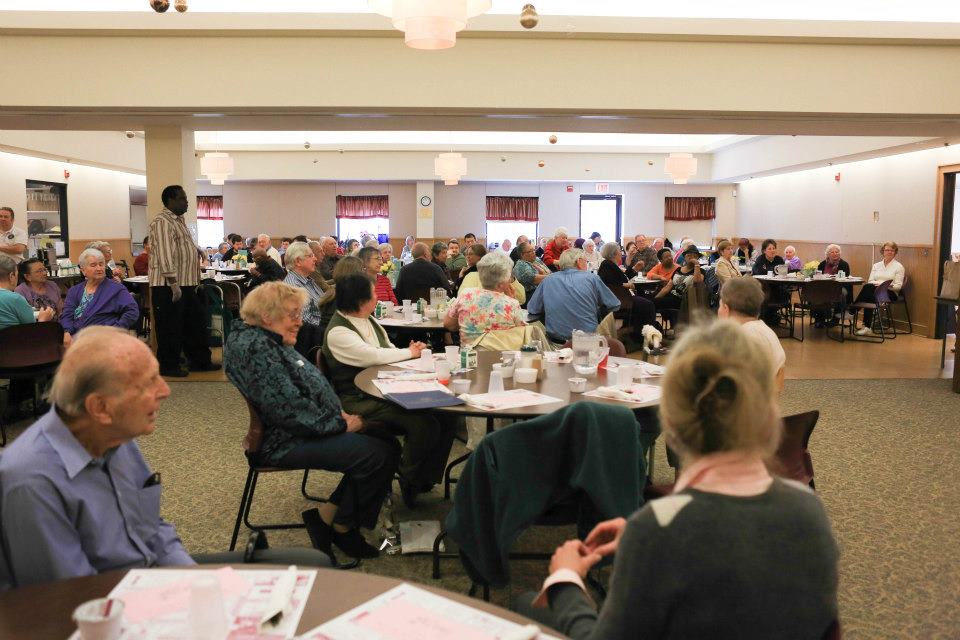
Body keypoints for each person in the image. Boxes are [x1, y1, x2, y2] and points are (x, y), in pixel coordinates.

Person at [525, 321, 838, 639]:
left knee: (528, 606)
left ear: (670, 425)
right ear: (768, 413)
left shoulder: (655, 530)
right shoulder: (808, 510)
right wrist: (646, 535)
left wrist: (564, 581)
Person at [0, 327, 195, 588]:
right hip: (95, 613)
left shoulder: (115, 435)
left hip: (147, 589)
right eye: (148, 383)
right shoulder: (32, 482)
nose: (165, 391)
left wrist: (195, 581)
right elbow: (70, 599)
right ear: (100, 408)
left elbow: (152, 530)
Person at [225, 283, 398, 559]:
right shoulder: (258, 350)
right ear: (268, 316)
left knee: (384, 439)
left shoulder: (263, 338)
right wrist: (341, 424)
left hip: (302, 428)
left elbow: (292, 397)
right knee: (377, 453)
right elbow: (288, 412)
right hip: (282, 442)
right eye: (293, 315)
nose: (300, 322)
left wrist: (336, 415)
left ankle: (326, 518)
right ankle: (343, 527)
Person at [323, 274, 455, 508]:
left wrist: (411, 354)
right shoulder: (338, 332)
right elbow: (373, 356)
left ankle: (425, 477)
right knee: (424, 423)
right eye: (373, 294)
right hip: (359, 398)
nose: (378, 298)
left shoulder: (368, 320)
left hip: (385, 387)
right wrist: (410, 353)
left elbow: (388, 349)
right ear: (360, 300)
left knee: (446, 416)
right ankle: (408, 476)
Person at [147, 186, 215, 377]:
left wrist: (197, 250)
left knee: (195, 324)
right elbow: (165, 254)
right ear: (170, 200)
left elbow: (182, 245)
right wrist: (173, 284)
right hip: (169, 285)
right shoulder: (162, 222)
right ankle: (169, 365)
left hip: (187, 282)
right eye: (182, 199)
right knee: (170, 327)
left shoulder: (179, 220)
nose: (186, 202)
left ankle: (200, 361)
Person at [527, 248, 620, 344]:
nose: (587, 264)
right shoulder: (592, 278)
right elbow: (615, 304)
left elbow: (532, 309)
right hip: (587, 343)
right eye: (586, 261)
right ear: (579, 262)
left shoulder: (548, 280)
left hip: (556, 344)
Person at [719, 278, 786, 392]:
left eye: (719, 306)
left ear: (725, 309)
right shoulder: (767, 332)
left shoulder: (741, 339)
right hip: (766, 406)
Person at [445, 252, 525, 345]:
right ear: (502, 282)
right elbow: (521, 333)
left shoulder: (465, 295)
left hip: (470, 356)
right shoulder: (511, 303)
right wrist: (512, 299)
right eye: (509, 277)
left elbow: (449, 324)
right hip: (501, 357)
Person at [61, 248, 138, 335]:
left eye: (101, 264)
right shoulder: (74, 291)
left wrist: (116, 329)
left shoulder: (116, 289)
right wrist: (67, 332)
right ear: (83, 270)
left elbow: (132, 311)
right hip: (77, 336)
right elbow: (67, 315)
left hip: (105, 337)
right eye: (93, 265)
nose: (99, 268)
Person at [596, 243, 661, 339]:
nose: (621, 253)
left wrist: (634, 268)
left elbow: (622, 278)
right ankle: (645, 335)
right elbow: (615, 284)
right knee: (649, 305)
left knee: (644, 303)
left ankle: (633, 331)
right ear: (614, 253)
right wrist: (628, 285)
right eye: (619, 251)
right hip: (619, 300)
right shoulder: (607, 265)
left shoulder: (609, 264)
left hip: (619, 297)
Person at [282, 241, 326, 357]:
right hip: (314, 342)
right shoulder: (294, 287)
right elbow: (305, 324)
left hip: (321, 333)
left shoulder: (308, 280)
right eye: (310, 256)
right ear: (298, 261)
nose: (315, 259)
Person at [854, 241, 906, 336]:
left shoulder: (899, 267)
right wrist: (877, 285)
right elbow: (870, 280)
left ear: (895, 252)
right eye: (887, 250)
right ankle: (867, 327)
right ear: (883, 251)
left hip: (889, 293)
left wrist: (884, 285)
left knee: (868, 291)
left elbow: (898, 286)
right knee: (869, 289)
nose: (889, 252)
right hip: (874, 291)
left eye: (892, 250)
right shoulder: (876, 265)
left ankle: (854, 310)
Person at [1, 254, 55, 329]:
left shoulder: (52, 286)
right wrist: (43, 320)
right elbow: (31, 332)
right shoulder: (15, 299)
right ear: (11, 276)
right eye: (17, 275)